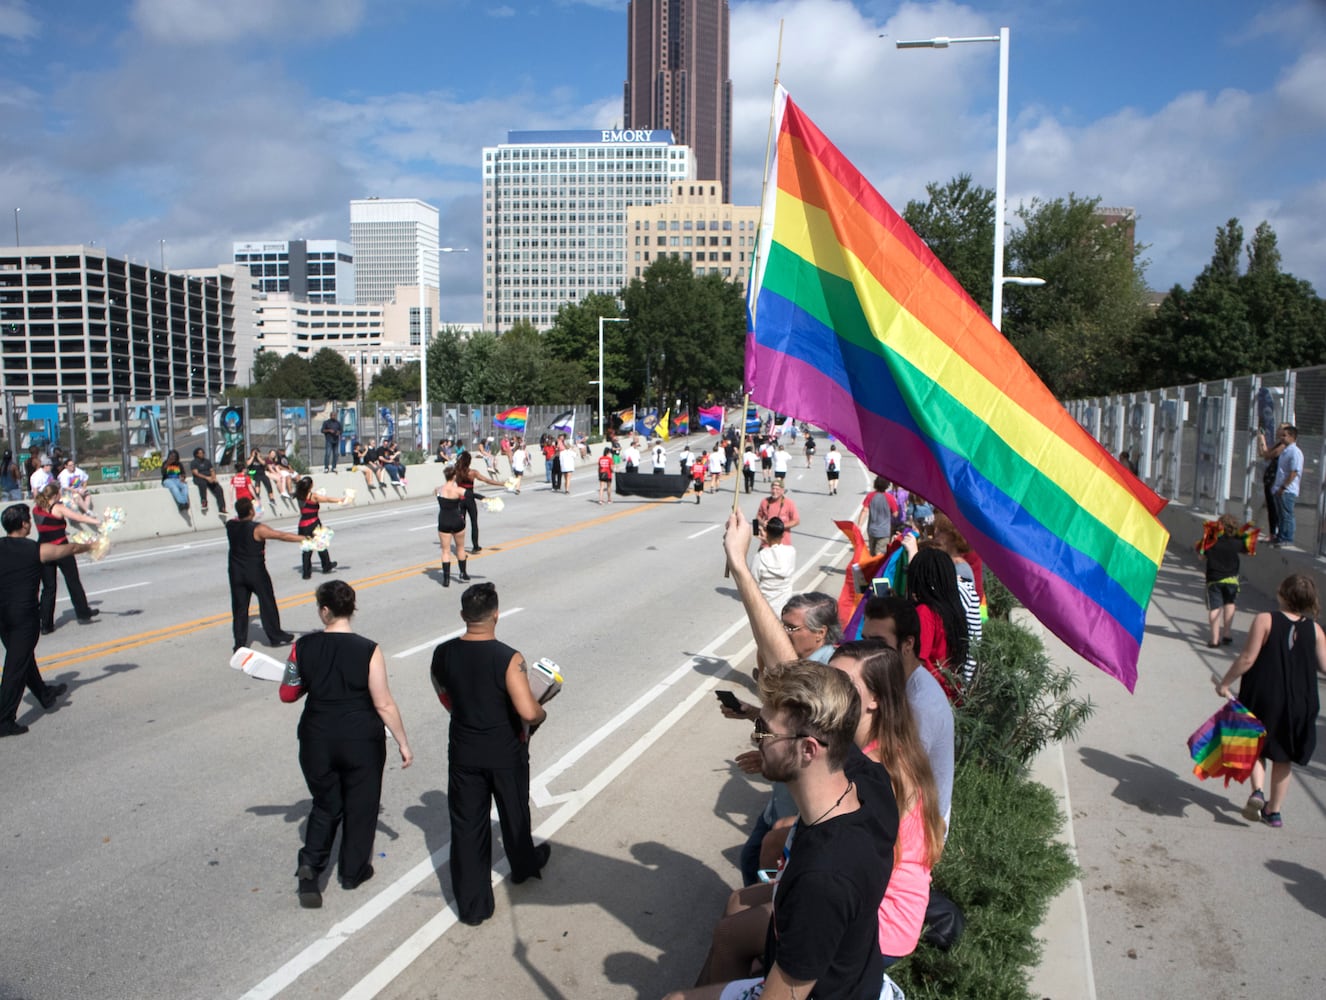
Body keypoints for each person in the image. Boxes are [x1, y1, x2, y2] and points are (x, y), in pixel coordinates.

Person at [668, 657, 897, 1000]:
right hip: (856, 970)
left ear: (808, 750)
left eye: (765, 731)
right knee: (730, 929)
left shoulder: (822, 880)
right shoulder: (870, 780)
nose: (756, 737)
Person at [280, 580, 412, 908]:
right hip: (360, 739)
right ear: (351, 609)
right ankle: (353, 872)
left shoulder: (302, 646)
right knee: (362, 805)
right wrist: (402, 742)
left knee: (326, 804)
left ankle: (310, 866)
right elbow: (383, 703)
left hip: (316, 737)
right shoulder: (368, 649)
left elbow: (288, 693)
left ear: (324, 610)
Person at [430, 582, 552, 925]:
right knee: (514, 813)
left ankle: (474, 906)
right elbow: (528, 712)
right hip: (505, 750)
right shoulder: (508, 658)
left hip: (465, 749)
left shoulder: (443, 653)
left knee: (468, 826)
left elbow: (443, 694)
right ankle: (524, 867)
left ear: (463, 616)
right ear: (496, 615)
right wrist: (542, 712)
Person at [1216, 574, 1325, 829]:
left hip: (1265, 693)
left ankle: (1257, 792)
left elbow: (1247, 658)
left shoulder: (1266, 619)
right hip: (1301, 701)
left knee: (1256, 744)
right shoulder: (1316, 629)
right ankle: (1274, 812)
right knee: (1284, 756)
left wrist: (1225, 683)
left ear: (1283, 594)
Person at [0, 504, 95, 737]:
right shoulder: (35, 550)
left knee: (21, 658)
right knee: (15, 667)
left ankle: (43, 694)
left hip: (2, 616)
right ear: (24, 524)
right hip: (24, 616)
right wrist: (91, 546)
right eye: (28, 521)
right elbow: (69, 548)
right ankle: (4, 720)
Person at [861, 596, 954, 826]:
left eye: (879, 643)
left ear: (908, 644)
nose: (867, 651)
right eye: (865, 641)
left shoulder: (919, 706)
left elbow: (900, 786)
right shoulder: (894, 680)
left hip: (917, 825)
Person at [227, 497, 302, 651]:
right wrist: (304, 538)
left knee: (239, 608)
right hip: (255, 571)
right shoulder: (258, 529)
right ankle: (275, 635)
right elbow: (281, 535)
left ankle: (239, 643)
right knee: (267, 602)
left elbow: (237, 520)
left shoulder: (230, 525)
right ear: (251, 511)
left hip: (236, 572)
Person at [33, 483, 102, 634]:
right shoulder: (58, 508)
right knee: (72, 580)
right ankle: (83, 612)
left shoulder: (36, 509)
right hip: (61, 548)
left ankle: (46, 624)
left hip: (44, 550)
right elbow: (77, 517)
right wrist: (97, 521)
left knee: (49, 588)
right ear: (56, 495)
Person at [1197, 514, 1249, 648]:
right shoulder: (1237, 542)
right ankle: (1227, 634)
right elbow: (1247, 551)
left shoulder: (1211, 542)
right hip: (1232, 579)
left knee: (1215, 607)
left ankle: (1214, 640)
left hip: (1214, 579)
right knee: (1229, 604)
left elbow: (1201, 557)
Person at [295, 476, 347, 579]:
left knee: (307, 549)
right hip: (313, 523)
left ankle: (306, 573)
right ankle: (326, 566)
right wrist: (340, 500)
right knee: (321, 545)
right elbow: (327, 499)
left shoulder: (298, 494)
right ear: (310, 486)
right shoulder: (313, 496)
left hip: (302, 524)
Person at [454, 450, 505, 554]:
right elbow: (487, 480)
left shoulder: (456, 472)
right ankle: (475, 546)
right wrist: (501, 483)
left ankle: (460, 547)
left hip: (460, 499)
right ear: (469, 462)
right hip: (470, 499)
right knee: (474, 523)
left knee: (461, 525)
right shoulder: (472, 472)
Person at [435, 465, 470, 587]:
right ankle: (463, 573)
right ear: (454, 476)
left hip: (443, 520)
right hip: (456, 520)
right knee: (460, 548)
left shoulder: (438, 490)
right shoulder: (459, 490)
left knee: (445, 550)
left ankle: (446, 579)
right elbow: (471, 496)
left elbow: (438, 496)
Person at [756, 517, 796, 615]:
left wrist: (766, 539)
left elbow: (753, 582)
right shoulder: (791, 552)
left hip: (765, 608)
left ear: (766, 533)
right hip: (784, 608)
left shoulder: (760, 557)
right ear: (783, 535)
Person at [1270, 425, 1302, 545]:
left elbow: (1294, 472)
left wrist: (1284, 487)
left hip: (1287, 490)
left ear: (1292, 437)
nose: (1281, 438)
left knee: (1287, 514)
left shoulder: (1295, 452)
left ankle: (1287, 538)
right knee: (1281, 514)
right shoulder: (1285, 451)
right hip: (1279, 488)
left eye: (1284, 435)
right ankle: (1281, 535)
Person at [1255, 425, 1287, 542]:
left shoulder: (1284, 446)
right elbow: (1264, 454)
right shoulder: (1278, 444)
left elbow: (1269, 455)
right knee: (1270, 507)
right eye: (1279, 428)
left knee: (1275, 508)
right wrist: (1261, 438)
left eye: (1283, 429)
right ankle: (1273, 532)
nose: (1279, 430)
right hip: (1269, 478)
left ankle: (1276, 533)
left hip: (1276, 480)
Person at [858, 476, 899, 556]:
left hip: (872, 530)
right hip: (884, 531)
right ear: (887, 485)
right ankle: (878, 567)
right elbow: (895, 514)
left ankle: (872, 567)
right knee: (880, 553)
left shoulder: (870, 496)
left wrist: (859, 525)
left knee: (872, 552)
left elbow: (864, 510)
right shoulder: (890, 498)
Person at [190, 446, 228, 516]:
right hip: (199, 478)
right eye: (200, 453)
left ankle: (222, 508)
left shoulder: (207, 461)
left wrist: (213, 478)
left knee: (218, 489)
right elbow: (196, 473)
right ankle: (204, 501)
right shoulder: (194, 462)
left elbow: (212, 470)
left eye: (203, 453)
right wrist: (207, 478)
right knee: (202, 484)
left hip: (209, 477)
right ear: (197, 454)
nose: (202, 454)